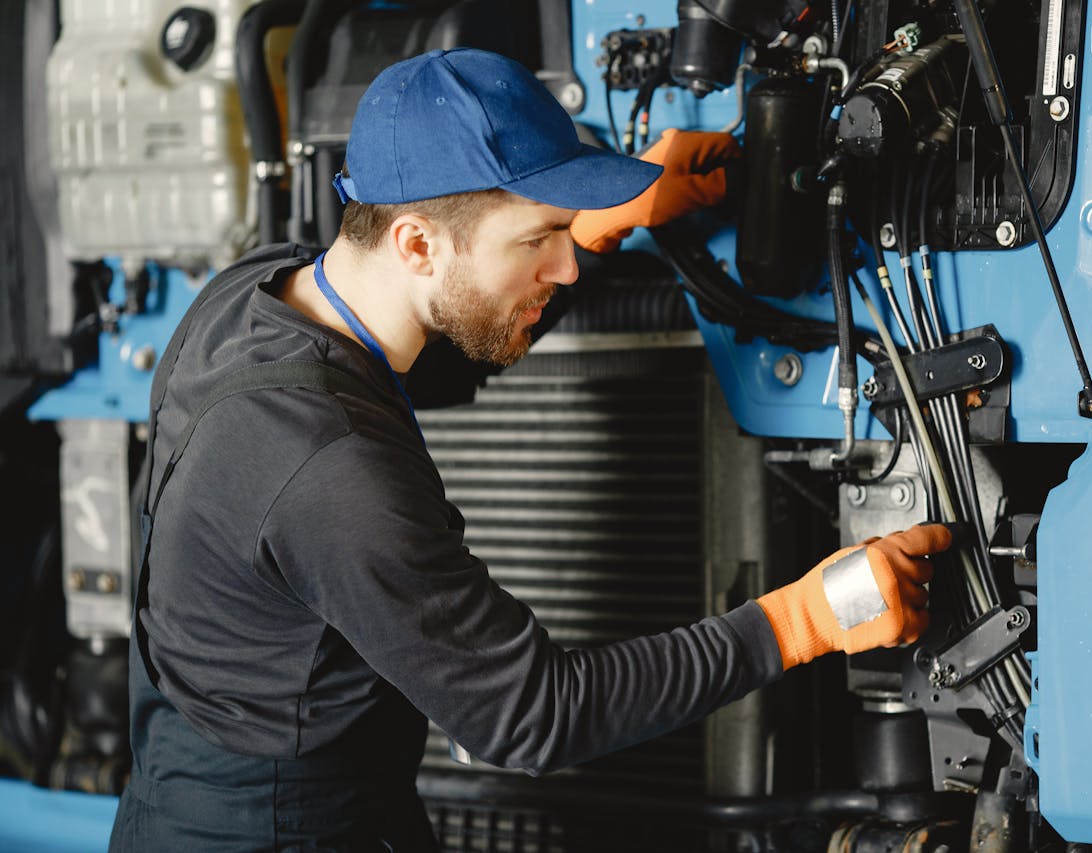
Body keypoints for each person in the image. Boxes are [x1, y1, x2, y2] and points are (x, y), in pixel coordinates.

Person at [108, 47, 952, 851]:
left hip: (209, 773)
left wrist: (592, 228)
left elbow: (421, 363)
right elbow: (534, 714)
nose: (568, 266)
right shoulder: (331, 470)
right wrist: (810, 615)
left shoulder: (258, 293)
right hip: (276, 830)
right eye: (537, 237)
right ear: (415, 243)